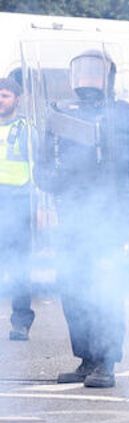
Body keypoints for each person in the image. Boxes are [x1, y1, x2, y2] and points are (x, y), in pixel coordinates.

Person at [35, 50, 129, 387]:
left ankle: (107, 362)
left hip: (110, 219)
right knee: (73, 290)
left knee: (105, 290)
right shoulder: (61, 116)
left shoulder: (128, 117)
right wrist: (53, 178)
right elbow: (43, 168)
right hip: (72, 218)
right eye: (81, 73)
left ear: (109, 78)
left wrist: (111, 145)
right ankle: (86, 357)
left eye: (94, 73)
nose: (87, 81)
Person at [0, 78, 35, 341]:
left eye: (5, 96)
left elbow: (37, 169)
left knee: (20, 266)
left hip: (17, 202)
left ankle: (21, 322)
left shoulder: (26, 130)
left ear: (17, 99)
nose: (1, 100)